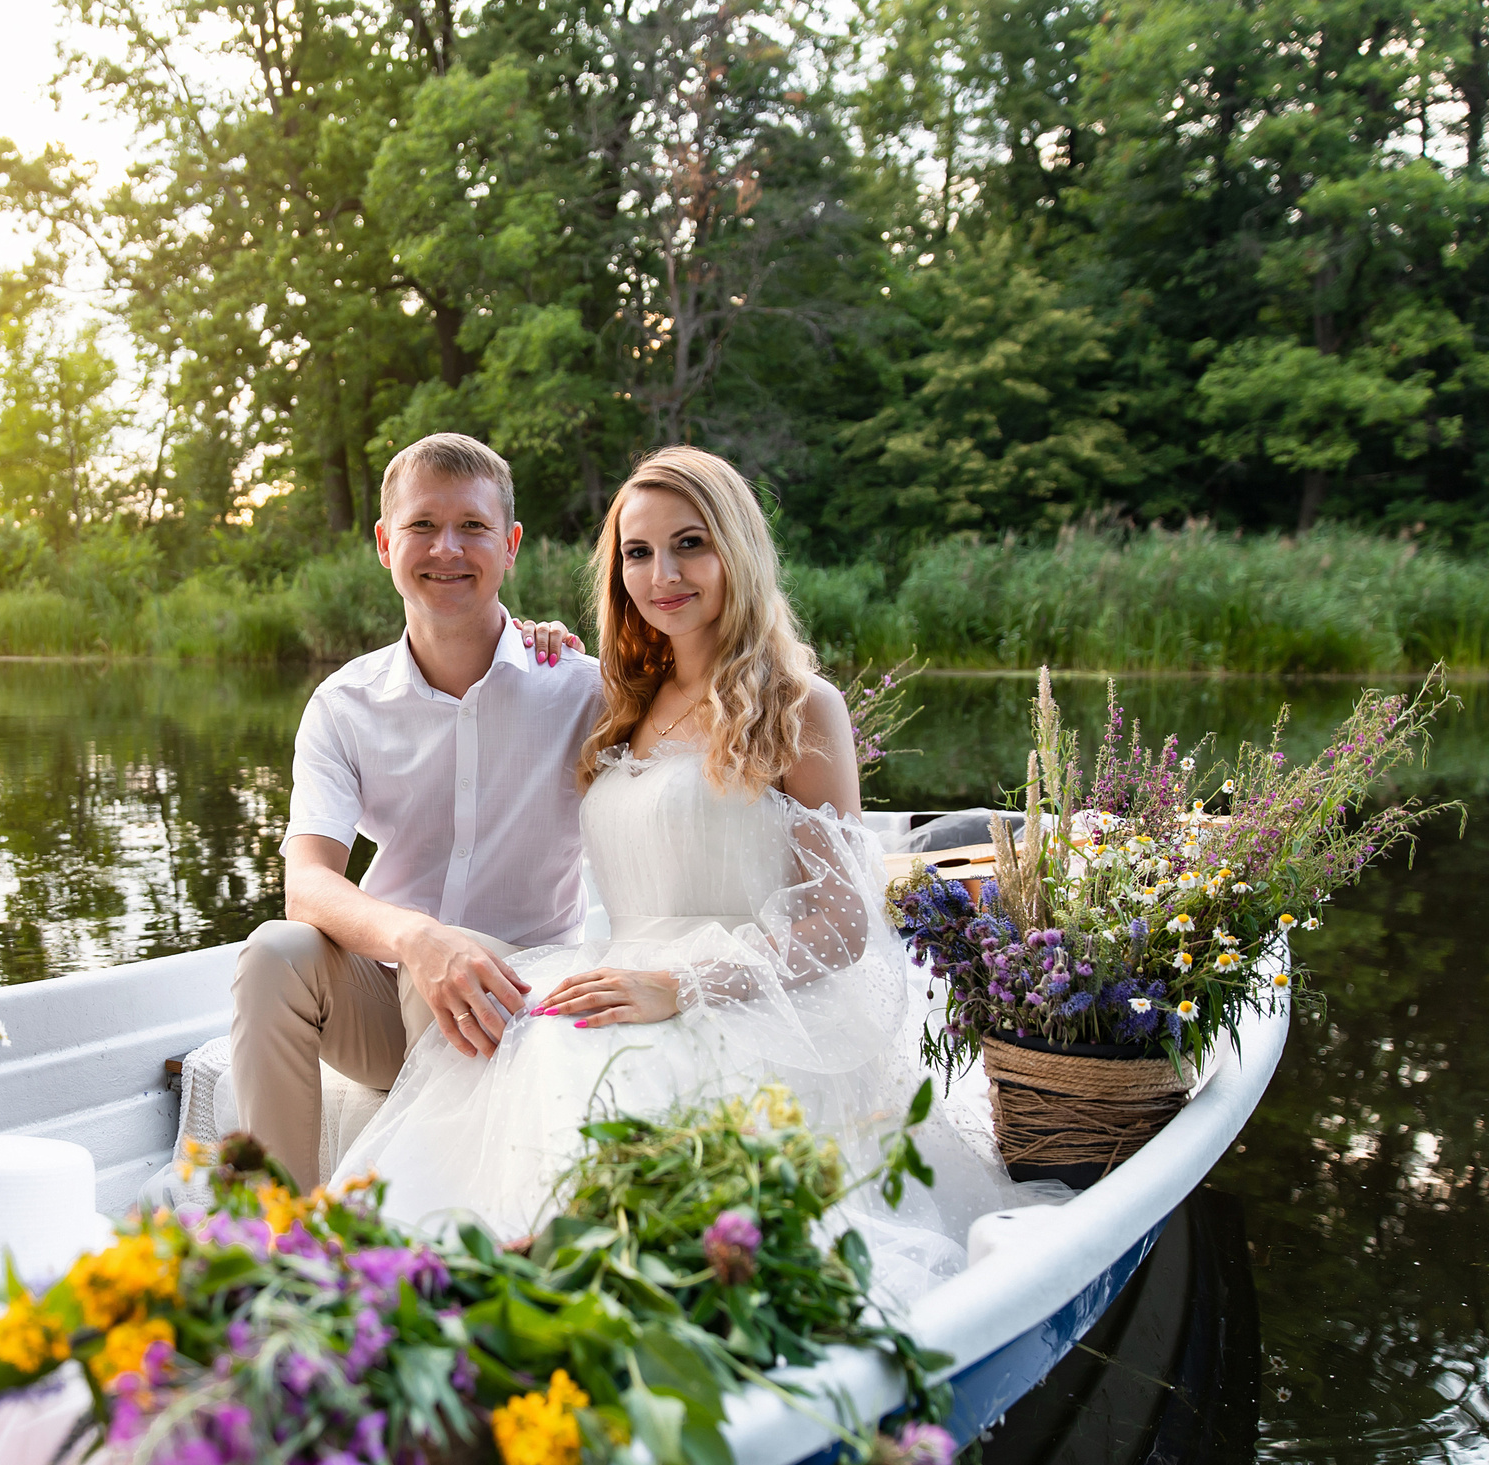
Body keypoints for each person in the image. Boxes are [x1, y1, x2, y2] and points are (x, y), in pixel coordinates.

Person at [330, 445, 1048, 1304]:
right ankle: (464, 1291)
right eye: (637, 552)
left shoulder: (799, 705)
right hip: (623, 969)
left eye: (689, 544)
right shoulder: (623, 698)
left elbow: (843, 920)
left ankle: (588, 1291)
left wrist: (686, 983)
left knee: (568, 1056)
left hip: (747, 997)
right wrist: (535, 633)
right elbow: (498, 663)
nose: (662, 574)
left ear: (735, 552)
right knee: (531, 1035)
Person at [228, 433, 604, 1190]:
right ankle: (275, 1236)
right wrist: (418, 938)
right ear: (382, 543)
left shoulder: (580, 689)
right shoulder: (344, 704)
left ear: (511, 544)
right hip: (391, 1001)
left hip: (528, 1008)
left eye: (472, 526)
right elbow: (307, 885)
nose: (447, 548)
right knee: (273, 952)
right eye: (422, 526)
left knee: (462, 953)